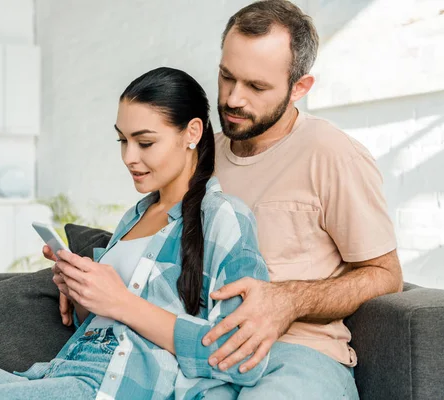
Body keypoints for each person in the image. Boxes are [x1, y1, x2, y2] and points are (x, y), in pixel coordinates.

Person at [0, 67, 271, 399]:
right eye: (122, 141)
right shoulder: (135, 217)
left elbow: (241, 359)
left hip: (110, 389)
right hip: (59, 377)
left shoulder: (223, 219)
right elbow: (100, 324)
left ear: (192, 133)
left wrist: (120, 301)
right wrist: (82, 290)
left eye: (145, 142)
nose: (129, 157)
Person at [54, 1, 402, 399]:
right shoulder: (197, 156)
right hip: (194, 354)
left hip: (296, 353)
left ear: (299, 88)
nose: (234, 98)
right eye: (226, 77)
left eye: (256, 86)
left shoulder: (331, 153)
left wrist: (287, 300)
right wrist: (88, 286)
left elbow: (384, 274)